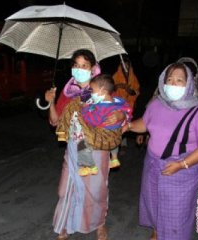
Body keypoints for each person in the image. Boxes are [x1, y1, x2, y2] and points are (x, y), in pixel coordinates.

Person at [123, 62, 198, 240]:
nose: (173, 84)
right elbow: (145, 123)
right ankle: (157, 231)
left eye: (179, 80)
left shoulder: (197, 111)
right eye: (170, 79)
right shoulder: (157, 103)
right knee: (154, 202)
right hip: (153, 164)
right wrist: (128, 126)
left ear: (188, 84)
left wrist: (181, 165)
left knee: (176, 212)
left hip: (182, 169)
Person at [45, 49, 126, 240]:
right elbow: (55, 121)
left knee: (96, 189)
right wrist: (50, 101)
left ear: (93, 69)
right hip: (74, 147)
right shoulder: (68, 92)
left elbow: (120, 108)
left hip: (97, 148)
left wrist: (122, 115)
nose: (79, 69)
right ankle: (64, 223)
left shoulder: (99, 88)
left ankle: (99, 224)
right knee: (66, 188)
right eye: (76, 65)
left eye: (84, 66)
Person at [56, 74, 132, 177]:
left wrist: (85, 109)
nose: (91, 93)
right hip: (116, 139)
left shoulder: (101, 108)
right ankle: (114, 158)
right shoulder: (118, 101)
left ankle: (89, 166)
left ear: (102, 91)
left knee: (81, 142)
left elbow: (91, 120)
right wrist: (123, 113)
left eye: (92, 90)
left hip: (103, 139)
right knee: (114, 133)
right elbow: (128, 108)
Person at [111, 56, 140, 159]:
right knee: (117, 124)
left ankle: (123, 144)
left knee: (126, 125)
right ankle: (116, 146)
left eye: (127, 65)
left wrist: (129, 90)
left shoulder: (133, 77)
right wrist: (118, 86)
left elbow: (136, 91)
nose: (125, 67)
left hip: (128, 106)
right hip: (117, 105)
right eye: (123, 65)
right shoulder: (116, 75)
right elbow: (109, 88)